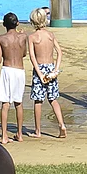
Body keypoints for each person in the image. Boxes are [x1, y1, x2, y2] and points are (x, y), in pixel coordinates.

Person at [27, 8, 68, 140]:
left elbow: (32, 57)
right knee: (53, 99)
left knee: (38, 100)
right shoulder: (50, 35)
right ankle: (61, 124)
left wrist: (39, 74)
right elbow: (59, 52)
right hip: (51, 67)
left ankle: (38, 130)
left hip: (40, 69)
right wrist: (56, 69)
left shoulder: (32, 37)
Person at [0, 12, 30, 142]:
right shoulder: (23, 37)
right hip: (19, 70)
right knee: (18, 103)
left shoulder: (1, 39)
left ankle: (4, 135)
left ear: (4, 24)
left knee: (5, 104)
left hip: (7, 70)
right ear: (17, 23)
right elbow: (24, 54)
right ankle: (19, 134)